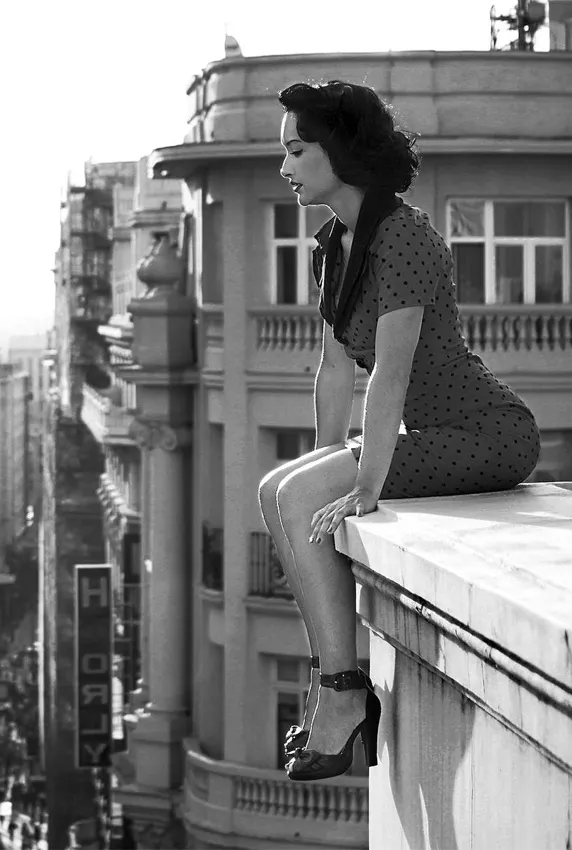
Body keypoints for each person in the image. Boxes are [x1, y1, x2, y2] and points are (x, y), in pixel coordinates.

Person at [260, 80, 541, 782]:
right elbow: (333, 371)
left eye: (297, 151)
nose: (286, 168)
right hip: (431, 438)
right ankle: (340, 687)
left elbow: (388, 373)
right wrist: (325, 459)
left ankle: (341, 698)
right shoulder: (333, 245)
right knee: (277, 489)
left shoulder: (405, 238)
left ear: (343, 152)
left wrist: (361, 484)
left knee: (298, 498)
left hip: (488, 434)